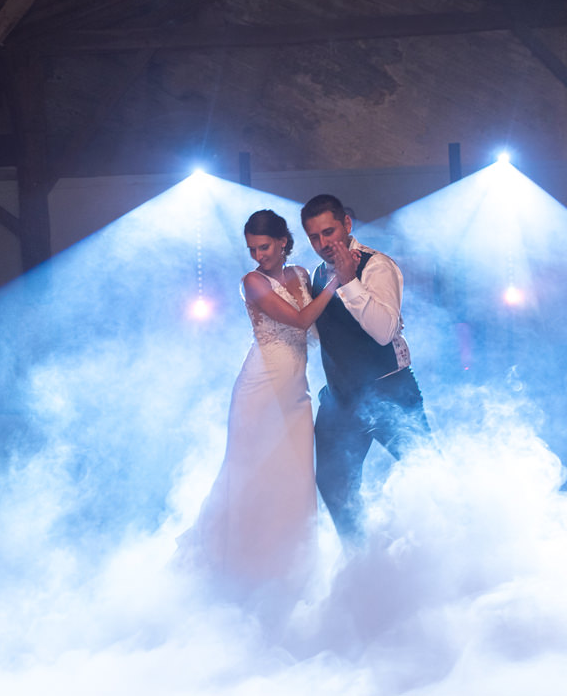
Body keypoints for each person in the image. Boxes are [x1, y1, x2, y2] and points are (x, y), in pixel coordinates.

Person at [180, 209, 337, 592]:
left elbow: (320, 325)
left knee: (296, 477)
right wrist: (337, 284)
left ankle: (292, 566)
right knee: (251, 477)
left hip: (294, 392)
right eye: (252, 248)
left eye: (264, 246)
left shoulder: (301, 274)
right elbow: (300, 320)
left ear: (283, 241)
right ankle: (240, 566)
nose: (258, 256)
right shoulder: (252, 281)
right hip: (260, 390)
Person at [301, 194, 432, 543]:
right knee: (332, 484)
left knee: (429, 476)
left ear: (347, 225)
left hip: (388, 391)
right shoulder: (315, 274)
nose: (323, 244)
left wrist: (349, 282)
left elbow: (384, 331)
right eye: (314, 237)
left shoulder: (376, 266)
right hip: (340, 399)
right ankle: (360, 560)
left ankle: (452, 557)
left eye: (329, 232)